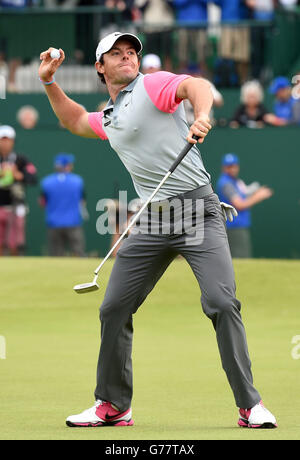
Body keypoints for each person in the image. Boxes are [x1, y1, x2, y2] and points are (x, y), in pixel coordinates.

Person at [39, 31, 277, 429]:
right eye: (116, 54)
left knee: (220, 302)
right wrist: (48, 81)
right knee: (113, 308)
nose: (127, 57)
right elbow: (75, 120)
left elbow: (195, 85)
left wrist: (202, 114)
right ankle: (113, 405)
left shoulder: (151, 85)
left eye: (131, 51)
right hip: (152, 219)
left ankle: (250, 405)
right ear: (100, 67)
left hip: (197, 211)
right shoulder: (111, 117)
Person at [216, 153, 273, 258]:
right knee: (241, 259)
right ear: (224, 168)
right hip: (233, 227)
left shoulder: (235, 181)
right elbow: (240, 204)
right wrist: (259, 196)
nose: (232, 169)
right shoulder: (226, 183)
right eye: (229, 166)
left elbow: (244, 195)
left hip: (237, 226)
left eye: (234, 166)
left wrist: (255, 193)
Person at [0, 125, 37, 256]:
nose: (4, 143)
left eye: (7, 140)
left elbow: (33, 178)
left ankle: (17, 261)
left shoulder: (21, 159)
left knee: (15, 240)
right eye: (2, 140)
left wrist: (18, 175)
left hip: (17, 204)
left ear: (13, 141)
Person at [40, 153, 86, 257]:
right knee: (78, 254)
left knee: (56, 256)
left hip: (53, 223)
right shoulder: (78, 181)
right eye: (70, 164)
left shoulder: (46, 182)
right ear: (66, 166)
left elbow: (42, 202)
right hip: (73, 223)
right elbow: (82, 201)